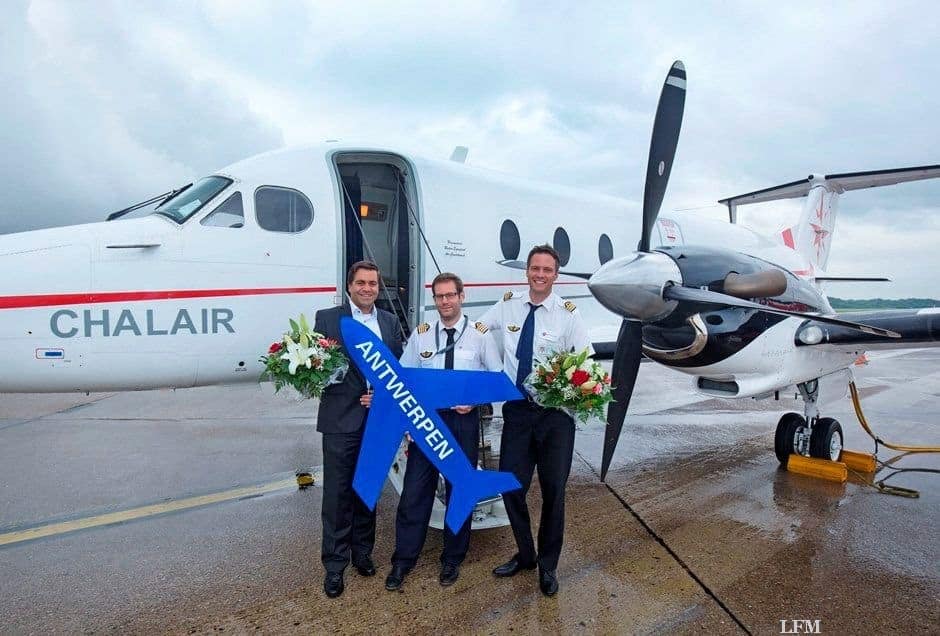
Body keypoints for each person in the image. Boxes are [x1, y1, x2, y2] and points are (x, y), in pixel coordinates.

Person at [480, 244, 593, 597]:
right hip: (518, 411)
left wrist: (573, 390)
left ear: (555, 275)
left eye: (547, 270)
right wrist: (488, 365)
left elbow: (586, 361)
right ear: (527, 271)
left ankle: (548, 565)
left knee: (553, 491)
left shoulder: (568, 314)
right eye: (535, 268)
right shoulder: (508, 304)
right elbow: (478, 329)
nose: (540, 275)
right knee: (511, 486)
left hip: (555, 417)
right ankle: (526, 554)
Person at [385, 272, 502, 591]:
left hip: (462, 422)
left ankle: (452, 558)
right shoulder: (422, 335)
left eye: (450, 295)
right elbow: (405, 381)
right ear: (434, 299)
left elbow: (496, 378)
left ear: (462, 296)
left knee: (459, 491)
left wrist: (474, 400)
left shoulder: (479, 335)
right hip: (428, 422)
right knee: (414, 493)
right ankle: (403, 560)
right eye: (439, 296)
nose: (445, 301)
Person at [314, 261, 404, 599]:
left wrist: (383, 394)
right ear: (349, 286)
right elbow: (319, 366)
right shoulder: (327, 319)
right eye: (361, 283)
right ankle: (335, 565)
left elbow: (397, 369)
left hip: (377, 420)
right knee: (337, 496)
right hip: (341, 419)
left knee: (367, 489)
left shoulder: (389, 321)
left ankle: (362, 553)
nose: (367, 289)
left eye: (373, 283)